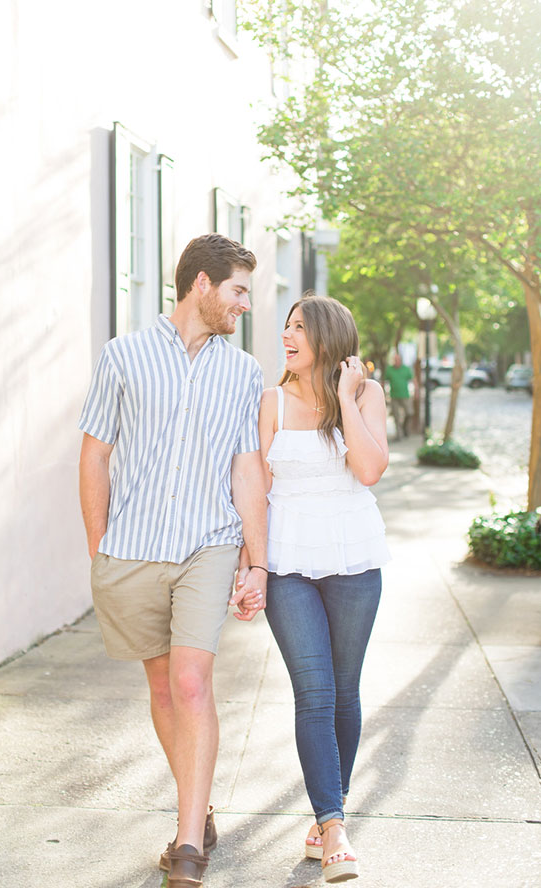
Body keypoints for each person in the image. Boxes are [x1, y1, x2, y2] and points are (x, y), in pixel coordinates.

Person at [78, 234, 268, 888]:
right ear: (203, 285)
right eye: (239, 290)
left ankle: (188, 845)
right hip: (132, 549)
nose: (246, 305)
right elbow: (95, 453)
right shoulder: (122, 357)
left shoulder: (243, 372)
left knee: (191, 683)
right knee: (161, 689)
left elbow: (248, 470)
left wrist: (255, 561)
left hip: (207, 544)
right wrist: (100, 545)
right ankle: (200, 802)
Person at [237, 293, 390, 883]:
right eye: (287, 326)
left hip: (354, 559)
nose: (287, 335)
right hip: (289, 563)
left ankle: (330, 811)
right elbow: (257, 484)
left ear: (329, 337)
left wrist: (348, 398)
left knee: (345, 693)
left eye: (300, 327)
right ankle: (334, 829)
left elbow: (370, 469)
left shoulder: (366, 395)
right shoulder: (270, 401)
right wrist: (252, 564)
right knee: (316, 694)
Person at [383, 353, 413, 439]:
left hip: (405, 395)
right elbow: (384, 381)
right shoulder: (389, 369)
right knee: (396, 416)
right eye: (395, 360)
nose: (396, 361)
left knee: (409, 413)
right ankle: (399, 435)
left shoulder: (406, 369)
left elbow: (413, 379)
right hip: (394, 396)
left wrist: (417, 391)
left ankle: (404, 428)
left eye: (398, 360)